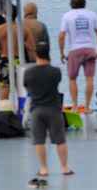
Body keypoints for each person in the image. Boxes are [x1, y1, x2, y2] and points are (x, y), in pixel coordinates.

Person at [24, 41, 73, 183]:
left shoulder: (29, 72)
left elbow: (26, 87)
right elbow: (57, 83)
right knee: (60, 140)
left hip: (36, 110)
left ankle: (44, 168)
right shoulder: (55, 71)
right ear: (48, 53)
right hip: (53, 109)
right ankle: (64, 167)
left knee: (39, 140)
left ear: (35, 53)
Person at [58, 0, 97, 113]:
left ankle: (74, 107)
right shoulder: (92, 14)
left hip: (75, 50)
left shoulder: (67, 16)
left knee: (72, 79)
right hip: (90, 49)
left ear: (71, 4)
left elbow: (62, 36)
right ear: (84, 3)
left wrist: (62, 52)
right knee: (90, 79)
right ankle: (87, 107)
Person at [0, 6, 35, 101]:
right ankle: (22, 113)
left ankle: (5, 113)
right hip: (18, 61)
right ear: (17, 14)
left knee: (4, 88)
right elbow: (31, 48)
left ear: (5, 14)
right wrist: (32, 62)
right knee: (21, 89)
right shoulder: (24, 29)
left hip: (4, 60)